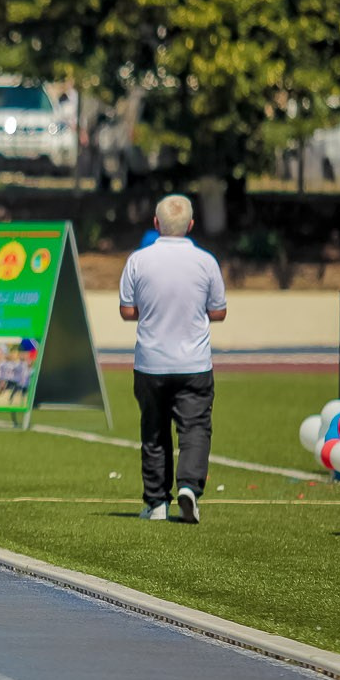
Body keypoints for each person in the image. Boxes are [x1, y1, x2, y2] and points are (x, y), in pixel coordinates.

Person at [118, 194, 227, 524]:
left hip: (151, 361)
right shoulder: (205, 261)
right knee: (194, 428)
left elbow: (126, 310)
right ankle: (190, 486)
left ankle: (156, 502)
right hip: (194, 362)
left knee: (154, 431)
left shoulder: (138, 260)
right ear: (191, 225)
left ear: (156, 224)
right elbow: (218, 311)